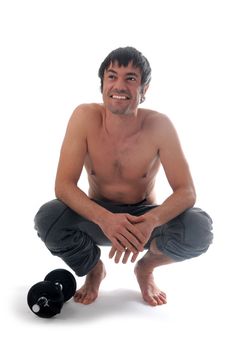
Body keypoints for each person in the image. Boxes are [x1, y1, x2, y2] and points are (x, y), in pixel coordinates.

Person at [34, 47, 213, 307]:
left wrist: (150, 220)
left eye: (130, 78)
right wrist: (105, 219)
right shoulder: (84, 117)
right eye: (112, 76)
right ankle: (94, 269)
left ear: (144, 89)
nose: (119, 85)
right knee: (47, 219)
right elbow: (63, 186)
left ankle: (145, 269)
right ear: (102, 84)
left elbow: (186, 192)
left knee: (199, 228)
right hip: (96, 217)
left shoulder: (160, 125)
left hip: (143, 220)